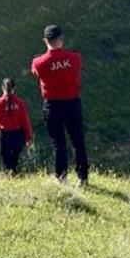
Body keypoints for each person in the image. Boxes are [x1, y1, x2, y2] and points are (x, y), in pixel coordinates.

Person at [31, 24, 89, 186]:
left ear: (45, 41)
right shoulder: (75, 58)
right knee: (77, 140)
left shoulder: (38, 63)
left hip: (52, 104)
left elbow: (36, 73)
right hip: (72, 103)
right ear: (61, 39)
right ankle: (82, 177)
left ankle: (61, 176)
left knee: (58, 143)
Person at [0, 78, 33, 174]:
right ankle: (14, 174)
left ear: (2, 88)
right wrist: (29, 138)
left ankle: (8, 175)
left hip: (5, 135)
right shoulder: (20, 103)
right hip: (18, 134)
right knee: (15, 158)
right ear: (14, 88)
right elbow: (26, 122)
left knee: (6, 159)